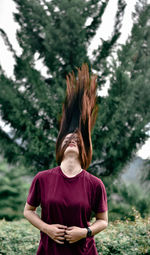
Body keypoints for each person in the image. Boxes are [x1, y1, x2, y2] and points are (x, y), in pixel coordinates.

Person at [24, 64, 108, 255]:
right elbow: (28, 211)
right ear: (60, 146)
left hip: (84, 251)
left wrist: (84, 232)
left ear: (84, 149)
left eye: (77, 140)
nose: (71, 140)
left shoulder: (95, 184)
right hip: (49, 251)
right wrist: (47, 229)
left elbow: (103, 221)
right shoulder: (42, 178)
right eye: (67, 139)